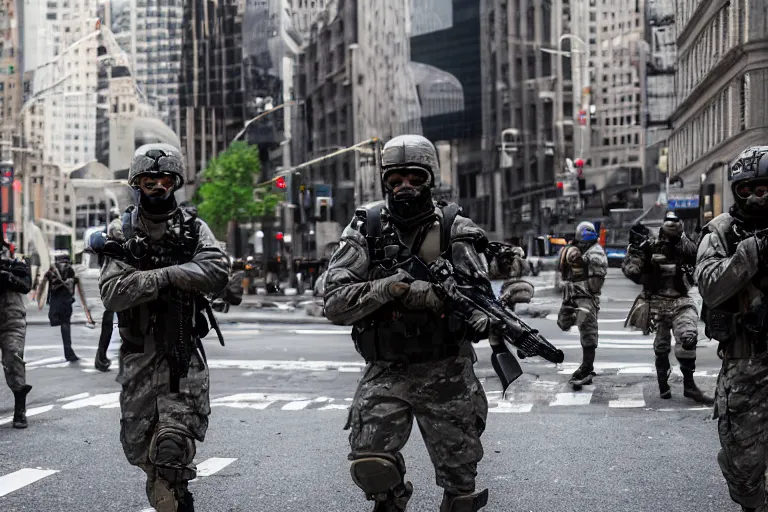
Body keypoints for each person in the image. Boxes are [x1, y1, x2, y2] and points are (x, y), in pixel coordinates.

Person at [324, 134, 491, 512]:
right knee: (371, 466)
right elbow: (334, 302)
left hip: (446, 368)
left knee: (461, 489)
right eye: (395, 180)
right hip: (387, 368)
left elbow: (481, 292)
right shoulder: (365, 229)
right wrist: (391, 289)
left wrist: (486, 316)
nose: (405, 187)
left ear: (430, 178)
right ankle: (392, 499)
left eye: (414, 178)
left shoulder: (455, 229)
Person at [98, 144, 229, 512]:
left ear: (176, 183)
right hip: (138, 356)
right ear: (136, 183)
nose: (158, 187)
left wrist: (162, 275)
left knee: (171, 449)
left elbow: (218, 271)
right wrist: (176, 275)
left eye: (166, 180)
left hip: (181, 355)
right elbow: (113, 292)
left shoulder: (193, 229)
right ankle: (168, 490)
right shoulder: (120, 230)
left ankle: (175, 487)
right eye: (149, 180)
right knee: (142, 452)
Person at [696, 146, 768, 512]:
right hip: (748, 363)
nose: (759, 196)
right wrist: (754, 250)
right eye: (748, 190)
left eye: (766, 187)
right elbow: (710, 285)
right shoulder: (720, 232)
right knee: (744, 467)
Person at [622, 212, 712, 404]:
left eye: (676, 224)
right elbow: (632, 268)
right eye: (668, 225)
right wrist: (636, 257)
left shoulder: (686, 245)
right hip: (657, 301)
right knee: (661, 347)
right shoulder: (651, 245)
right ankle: (663, 382)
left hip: (681, 300)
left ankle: (689, 386)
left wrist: (679, 239)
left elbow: (697, 255)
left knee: (688, 337)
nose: (672, 228)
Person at [556, 222, 607, 390]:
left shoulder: (595, 254)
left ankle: (587, 368)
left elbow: (594, 286)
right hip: (571, 297)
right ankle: (586, 367)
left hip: (586, 297)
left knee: (587, 330)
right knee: (563, 323)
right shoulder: (577, 249)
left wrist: (580, 266)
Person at [0, 238, 33, 428]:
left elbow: (26, 285)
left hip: (12, 319)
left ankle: (20, 408)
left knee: (13, 357)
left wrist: (7, 276)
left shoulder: (15, 261)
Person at [95, 207, 125, 372]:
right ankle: (104, 359)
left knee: (110, 323)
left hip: (110, 283)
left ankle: (101, 358)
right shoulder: (116, 229)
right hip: (116, 284)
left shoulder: (107, 243)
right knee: (122, 323)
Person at [39, 253, 80, 362]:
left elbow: (71, 287)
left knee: (63, 324)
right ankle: (69, 353)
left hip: (62, 301)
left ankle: (69, 353)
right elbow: (49, 286)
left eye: (66, 263)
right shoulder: (55, 271)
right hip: (60, 301)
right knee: (62, 324)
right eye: (63, 262)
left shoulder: (63, 270)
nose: (65, 265)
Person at [487, 242, 534, 312]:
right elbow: (526, 270)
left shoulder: (495, 258)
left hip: (498, 281)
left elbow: (492, 271)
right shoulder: (517, 259)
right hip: (509, 281)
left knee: (500, 301)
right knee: (507, 301)